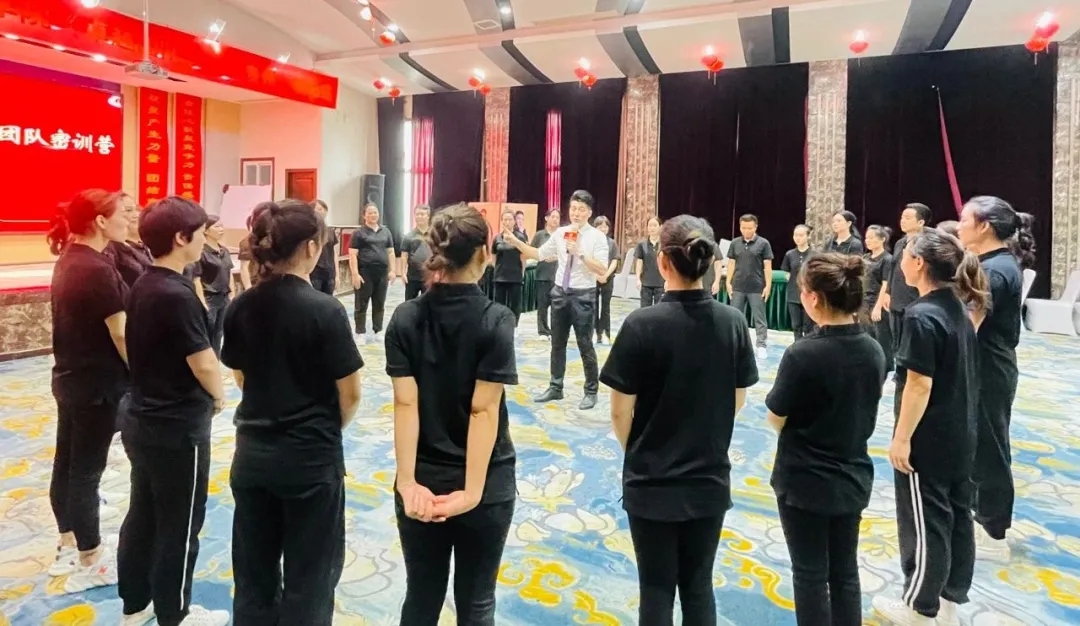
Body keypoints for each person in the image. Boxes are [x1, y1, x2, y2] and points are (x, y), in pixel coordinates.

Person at [600, 215, 758, 625]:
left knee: (655, 590)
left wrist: (641, 448)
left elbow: (619, 411)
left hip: (651, 479)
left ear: (663, 262)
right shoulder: (732, 321)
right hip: (708, 476)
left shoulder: (640, 324)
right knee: (698, 586)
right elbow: (738, 399)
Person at [221, 200, 363, 625]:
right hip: (310, 459)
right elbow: (350, 394)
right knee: (311, 576)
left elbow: (241, 377)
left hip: (252, 456)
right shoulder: (326, 310)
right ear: (310, 248)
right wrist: (322, 427)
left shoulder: (240, 306)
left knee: (254, 574)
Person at [385, 203, 518, 624]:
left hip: (422, 479)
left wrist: (407, 482)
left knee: (421, 597)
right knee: (477, 603)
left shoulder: (405, 317)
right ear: (483, 253)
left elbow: (405, 404)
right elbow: (483, 410)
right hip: (486, 480)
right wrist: (473, 493)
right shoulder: (496, 319)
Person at [117, 196, 230, 626]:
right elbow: (203, 362)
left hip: (142, 416)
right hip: (177, 426)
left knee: (143, 512)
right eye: (200, 234)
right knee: (180, 522)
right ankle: (174, 613)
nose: (204, 241)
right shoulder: (176, 294)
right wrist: (218, 396)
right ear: (181, 238)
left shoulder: (145, 282)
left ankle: (135, 603)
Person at [872, 229, 986, 626]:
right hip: (960, 430)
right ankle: (949, 599)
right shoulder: (956, 307)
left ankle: (920, 607)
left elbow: (919, 384)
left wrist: (902, 438)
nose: (900, 262)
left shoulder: (922, 316)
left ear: (919, 263)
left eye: (906, 255)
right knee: (957, 515)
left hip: (930, 435)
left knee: (925, 521)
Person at [765, 252, 885, 626]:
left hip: (805, 480)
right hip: (852, 475)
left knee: (810, 574)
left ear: (814, 298)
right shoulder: (874, 349)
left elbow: (776, 415)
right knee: (845, 571)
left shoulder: (803, 354)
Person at [46, 189, 130, 591]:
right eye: (122, 213)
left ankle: (69, 540)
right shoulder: (96, 268)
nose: (127, 220)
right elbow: (120, 333)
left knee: (68, 463)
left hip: (71, 377)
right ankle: (90, 557)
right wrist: (143, 370)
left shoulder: (72, 257)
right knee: (85, 471)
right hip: (96, 384)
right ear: (100, 221)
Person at [956, 196, 1035, 562]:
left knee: (990, 448)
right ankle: (981, 515)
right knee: (978, 445)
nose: (959, 226)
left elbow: (967, 325)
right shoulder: (991, 263)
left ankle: (993, 530)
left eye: (964, 220)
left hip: (989, 368)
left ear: (984, 226)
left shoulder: (996, 270)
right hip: (984, 365)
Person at [502, 190, 609, 410]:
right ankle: (555, 386)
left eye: (581, 209)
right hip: (560, 292)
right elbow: (538, 254)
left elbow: (601, 269)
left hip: (583, 295)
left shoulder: (597, 237)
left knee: (585, 344)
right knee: (557, 343)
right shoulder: (561, 233)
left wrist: (579, 253)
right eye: (573, 208)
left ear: (589, 212)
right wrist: (515, 242)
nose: (576, 213)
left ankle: (591, 391)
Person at [878, 203, 932, 357]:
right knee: (896, 343)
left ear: (921, 222)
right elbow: (893, 268)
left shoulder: (926, 244)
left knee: (912, 345)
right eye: (902, 217)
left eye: (908, 218)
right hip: (896, 299)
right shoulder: (900, 243)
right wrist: (888, 292)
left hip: (914, 299)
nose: (903, 221)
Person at [726, 214, 773, 359]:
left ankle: (761, 345)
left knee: (760, 318)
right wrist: (728, 282)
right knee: (735, 318)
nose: (746, 230)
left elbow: (767, 266)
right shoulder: (735, 243)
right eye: (743, 228)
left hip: (757, 287)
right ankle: (735, 344)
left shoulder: (763, 243)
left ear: (756, 227)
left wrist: (768, 285)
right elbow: (731, 263)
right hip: (737, 286)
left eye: (749, 228)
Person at [348, 203, 396, 343]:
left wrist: (393, 270)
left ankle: (378, 330)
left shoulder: (386, 231)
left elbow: (391, 252)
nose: (373, 215)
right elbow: (352, 254)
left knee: (379, 302)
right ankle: (360, 332)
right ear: (364, 216)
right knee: (361, 303)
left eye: (375, 212)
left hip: (382, 273)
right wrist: (355, 274)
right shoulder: (359, 233)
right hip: (365, 272)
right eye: (370, 213)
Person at [196, 216, 234, 356]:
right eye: (217, 226)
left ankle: (215, 361)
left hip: (224, 297)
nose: (221, 229)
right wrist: (202, 302)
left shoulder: (224, 250)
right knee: (207, 334)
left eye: (221, 226)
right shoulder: (202, 252)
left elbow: (229, 272)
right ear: (206, 230)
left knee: (219, 334)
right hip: (209, 298)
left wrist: (232, 294)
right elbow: (196, 278)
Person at [105, 193, 154, 288]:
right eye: (128, 210)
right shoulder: (111, 248)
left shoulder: (147, 245)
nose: (136, 215)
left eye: (136, 209)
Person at [865, 225, 895, 374]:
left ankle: (887, 367)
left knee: (882, 338)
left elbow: (885, 284)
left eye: (871, 238)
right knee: (868, 336)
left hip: (878, 302)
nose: (867, 240)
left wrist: (878, 307)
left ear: (882, 239)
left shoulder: (887, 259)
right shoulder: (865, 258)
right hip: (865, 301)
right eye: (866, 238)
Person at [491, 209, 528, 323]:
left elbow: (523, 256)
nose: (507, 222)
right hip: (500, 276)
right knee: (499, 303)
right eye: (505, 220)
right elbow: (493, 255)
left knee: (515, 303)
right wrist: (496, 268)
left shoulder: (520, 237)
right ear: (502, 221)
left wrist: (522, 272)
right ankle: (500, 324)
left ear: (514, 221)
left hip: (515, 276)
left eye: (510, 219)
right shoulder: (497, 238)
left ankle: (514, 324)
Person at [780, 225, 814, 340]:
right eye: (795, 235)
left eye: (801, 235)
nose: (798, 238)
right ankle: (798, 345)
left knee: (808, 326)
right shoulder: (789, 254)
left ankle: (809, 346)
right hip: (793, 294)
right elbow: (786, 271)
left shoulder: (814, 254)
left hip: (809, 294)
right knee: (796, 325)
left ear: (808, 236)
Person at [530, 209, 560, 338]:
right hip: (542, 275)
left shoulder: (561, 235)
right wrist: (542, 257)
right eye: (553, 217)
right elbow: (531, 251)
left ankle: (555, 331)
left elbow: (568, 252)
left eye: (557, 217)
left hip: (558, 276)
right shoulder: (539, 235)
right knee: (542, 305)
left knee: (557, 306)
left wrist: (556, 257)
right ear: (546, 218)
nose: (555, 220)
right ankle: (542, 331)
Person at [593, 216, 620, 344]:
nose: (603, 229)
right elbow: (587, 260)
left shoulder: (612, 243)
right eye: (600, 226)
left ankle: (605, 333)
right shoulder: (591, 243)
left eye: (605, 226)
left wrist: (606, 275)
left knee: (605, 307)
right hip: (593, 278)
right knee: (593, 306)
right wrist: (596, 275)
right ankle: (594, 332)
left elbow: (615, 261)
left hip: (608, 279)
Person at [238, 202, 273, 291]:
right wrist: (248, 288)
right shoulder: (247, 242)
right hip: (256, 284)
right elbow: (244, 267)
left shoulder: (273, 239)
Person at [401, 205, 432, 301]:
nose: (419, 217)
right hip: (412, 276)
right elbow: (404, 255)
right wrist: (403, 273)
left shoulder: (434, 234)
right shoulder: (408, 236)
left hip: (429, 276)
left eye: (422, 214)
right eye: (417, 214)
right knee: (410, 303)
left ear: (428, 216)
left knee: (428, 303)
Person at [309, 199, 339, 296]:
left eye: (324, 209)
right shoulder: (310, 230)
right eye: (319, 209)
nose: (323, 212)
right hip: (315, 274)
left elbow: (334, 253)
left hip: (329, 274)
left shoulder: (330, 231)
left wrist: (337, 275)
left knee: (328, 300)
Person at [634, 217, 664, 307]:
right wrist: (638, 279)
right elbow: (639, 263)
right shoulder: (641, 244)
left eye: (655, 225)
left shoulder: (664, 244)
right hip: (646, 283)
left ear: (660, 227)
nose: (652, 228)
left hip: (661, 283)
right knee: (645, 309)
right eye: (650, 225)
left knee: (660, 309)